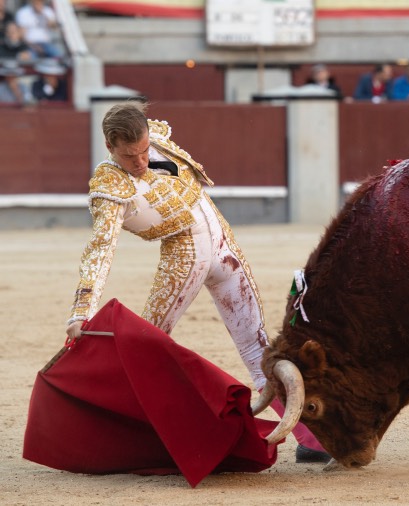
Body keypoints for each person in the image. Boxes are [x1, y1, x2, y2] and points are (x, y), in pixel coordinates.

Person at [64, 102, 331, 465]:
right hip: (183, 256)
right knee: (145, 349)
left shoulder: (156, 137)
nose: (140, 162)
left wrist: (146, 148)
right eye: (129, 156)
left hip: (224, 241)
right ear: (110, 147)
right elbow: (100, 250)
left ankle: (312, 439)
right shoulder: (109, 184)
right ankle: (129, 435)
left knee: (258, 347)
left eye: (143, 151)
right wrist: (83, 310)